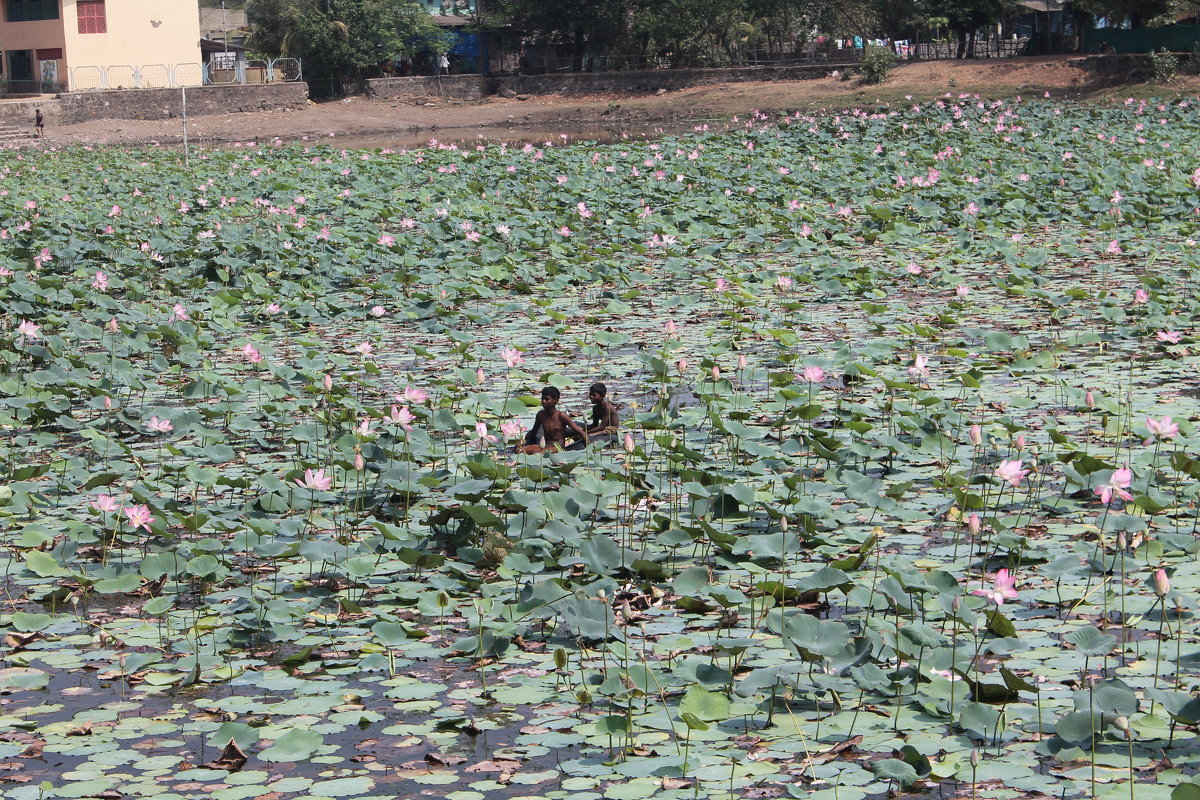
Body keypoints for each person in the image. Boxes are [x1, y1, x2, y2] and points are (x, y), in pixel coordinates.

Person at [520, 386, 587, 454]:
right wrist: (522, 440)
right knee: (519, 450)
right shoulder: (540, 415)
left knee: (540, 453)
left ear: (555, 400)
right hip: (545, 446)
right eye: (542, 398)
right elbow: (533, 431)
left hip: (557, 447)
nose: (543, 401)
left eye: (547, 399)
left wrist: (590, 448)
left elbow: (580, 432)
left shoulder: (561, 416)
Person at [567, 382, 619, 450]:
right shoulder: (595, 408)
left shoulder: (607, 408)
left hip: (610, 432)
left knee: (585, 437)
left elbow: (602, 427)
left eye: (594, 395)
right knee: (575, 424)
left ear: (603, 396)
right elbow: (595, 425)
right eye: (590, 394)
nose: (591, 396)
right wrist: (581, 429)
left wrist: (584, 432)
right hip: (602, 429)